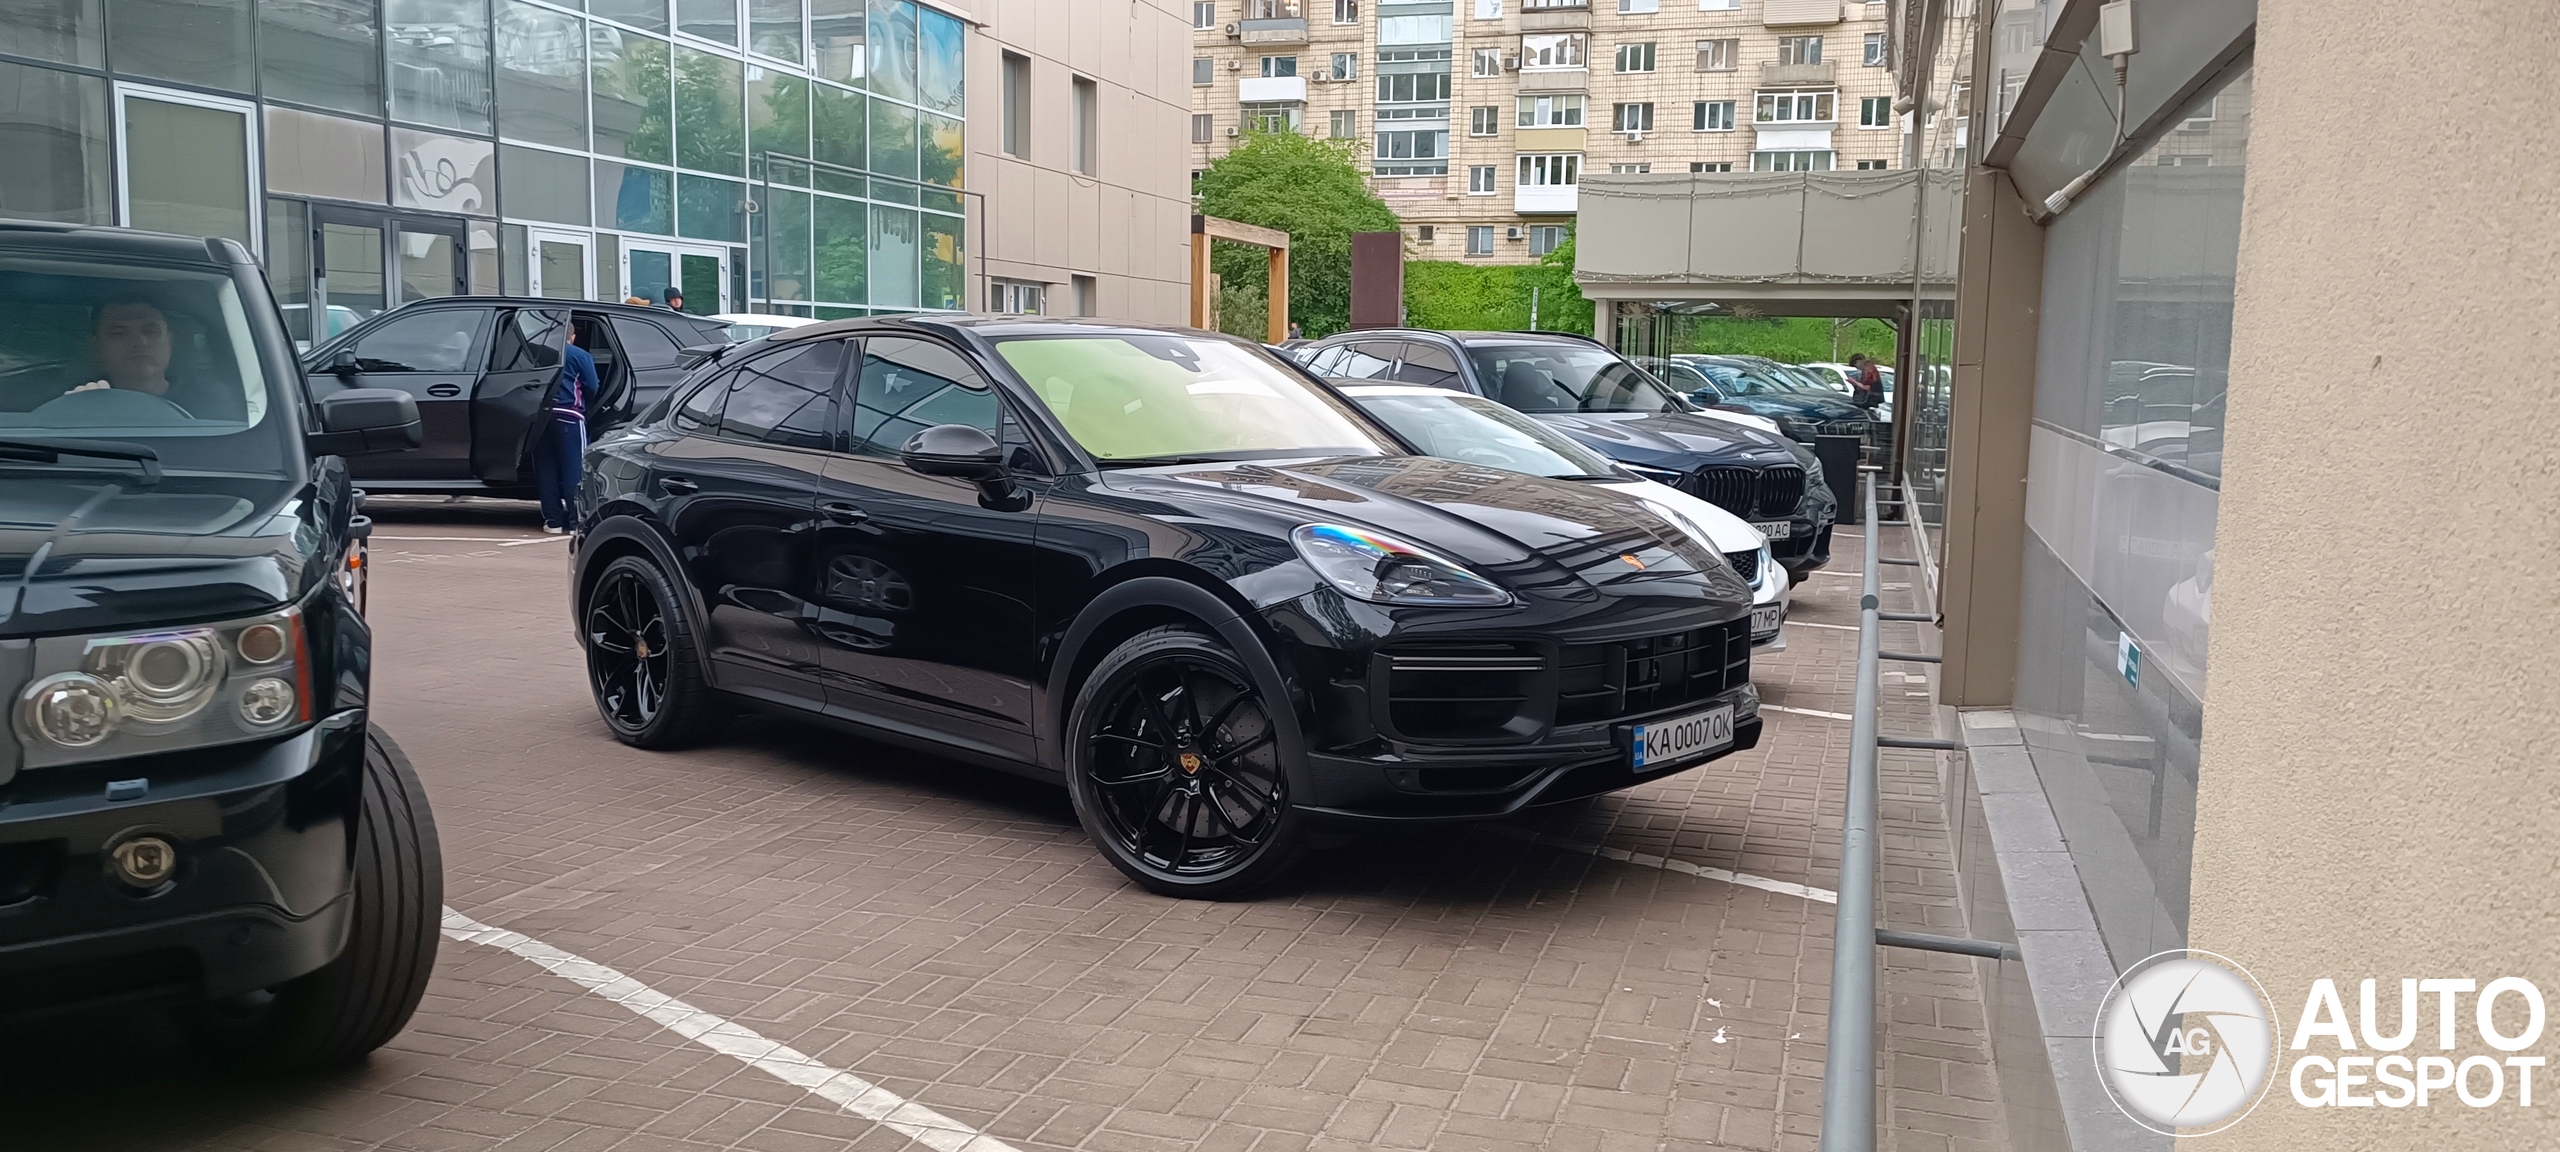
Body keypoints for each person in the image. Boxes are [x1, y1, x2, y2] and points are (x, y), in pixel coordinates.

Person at [60, 299, 233, 419]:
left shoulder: (214, 404)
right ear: (97, 347)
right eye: (119, 333)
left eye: (151, 331)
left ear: (170, 342)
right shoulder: (73, 402)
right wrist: (76, 414)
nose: (139, 342)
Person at [534, 327, 601, 534]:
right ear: (572, 336)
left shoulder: (538, 353)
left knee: (546, 469)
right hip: (570, 416)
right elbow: (593, 385)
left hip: (540, 417)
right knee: (575, 469)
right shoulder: (580, 355)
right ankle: (575, 522)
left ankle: (552, 521)